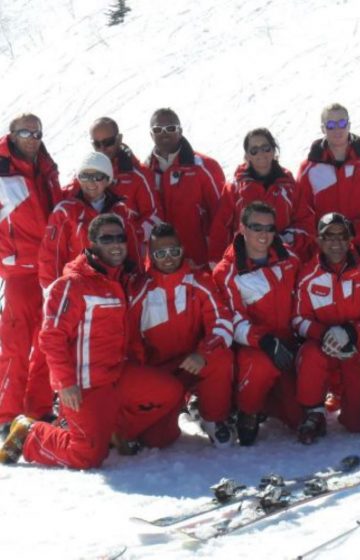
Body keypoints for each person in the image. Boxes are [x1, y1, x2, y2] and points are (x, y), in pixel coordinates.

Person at [1, 215, 135, 467]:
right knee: (86, 455)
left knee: (168, 397)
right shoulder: (71, 284)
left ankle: (91, 426)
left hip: (115, 378)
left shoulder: (122, 278)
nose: (116, 244)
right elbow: (51, 338)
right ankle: (31, 434)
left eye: (120, 238)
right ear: (92, 243)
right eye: (107, 239)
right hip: (83, 384)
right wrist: (65, 383)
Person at [123, 222, 233, 448]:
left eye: (174, 251)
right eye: (160, 253)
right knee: (158, 439)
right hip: (162, 374)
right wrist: (148, 382)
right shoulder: (138, 291)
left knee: (221, 358)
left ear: (182, 249)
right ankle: (175, 408)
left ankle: (212, 417)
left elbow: (221, 321)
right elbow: (129, 341)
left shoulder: (200, 281)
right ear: (150, 255)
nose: (168, 258)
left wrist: (203, 353)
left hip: (194, 361)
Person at [292, 213, 360, 444]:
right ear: (318, 240)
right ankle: (314, 412)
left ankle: (349, 404)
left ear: (350, 240)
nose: (335, 243)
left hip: (357, 350)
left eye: (342, 236)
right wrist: (323, 334)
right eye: (328, 237)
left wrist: (352, 332)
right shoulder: (307, 276)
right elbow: (298, 319)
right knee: (309, 354)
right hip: (322, 347)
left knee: (356, 423)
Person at [213, 201, 303, 446]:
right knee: (259, 363)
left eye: (269, 228)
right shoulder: (226, 271)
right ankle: (248, 410)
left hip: (286, 342)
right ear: (242, 228)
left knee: (298, 418)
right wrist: (262, 339)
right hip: (251, 347)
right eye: (256, 227)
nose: (264, 235)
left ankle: (269, 401)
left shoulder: (289, 259)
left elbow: (302, 298)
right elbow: (232, 318)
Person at [0, 113, 62, 432]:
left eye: (37, 132)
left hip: (48, 269)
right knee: (15, 343)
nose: (33, 138)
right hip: (19, 272)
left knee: (45, 341)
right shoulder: (2, 170)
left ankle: (37, 408)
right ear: (11, 135)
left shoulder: (46, 167)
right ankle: (7, 414)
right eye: (25, 132)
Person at [297, 103, 360, 274]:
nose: (337, 129)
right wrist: (326, 237)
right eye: (331, 125)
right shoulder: (310, 169)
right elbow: (302, 215)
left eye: (342, 123)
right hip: (326, 256)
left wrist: (358, 227)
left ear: (349, 125)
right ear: (323, 128)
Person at [208, 128, 315, 266]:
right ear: (247, 156)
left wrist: (284, 239)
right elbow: (221, 227)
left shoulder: (289, 187)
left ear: (273, 150)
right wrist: (216, 261)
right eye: (254, 150)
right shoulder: (235, 188)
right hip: (245, 263)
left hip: (283, 261)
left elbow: (306, 222)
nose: (261, 153)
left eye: (266, 148)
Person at [39, 152, 143, 290]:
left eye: (97, 176)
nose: (90, 182)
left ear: (107, 180)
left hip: (115, 289)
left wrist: (137, 288)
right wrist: (53, 292)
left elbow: (134, 253)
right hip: (79, 291)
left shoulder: (121, 212)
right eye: (85, 176)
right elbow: (51, 257)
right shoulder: (65, 212)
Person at [145, 108, 225, 267]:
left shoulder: (204, 167)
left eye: (171, 128)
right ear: (151, 134)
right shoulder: (144, 172)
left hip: (199, 261)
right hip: (160, 264)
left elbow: (222, 216)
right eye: (158, 129)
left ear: (180, 131)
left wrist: (216, 259)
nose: (164, 133)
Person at [72, 117, 162, 241]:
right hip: (92, 253)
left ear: (119, 139)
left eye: (108, 142)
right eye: (97, 144)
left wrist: (126, 237)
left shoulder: (138, 175)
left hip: (127, 252)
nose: (102, 149)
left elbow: (155, 217)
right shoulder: (84, 174)